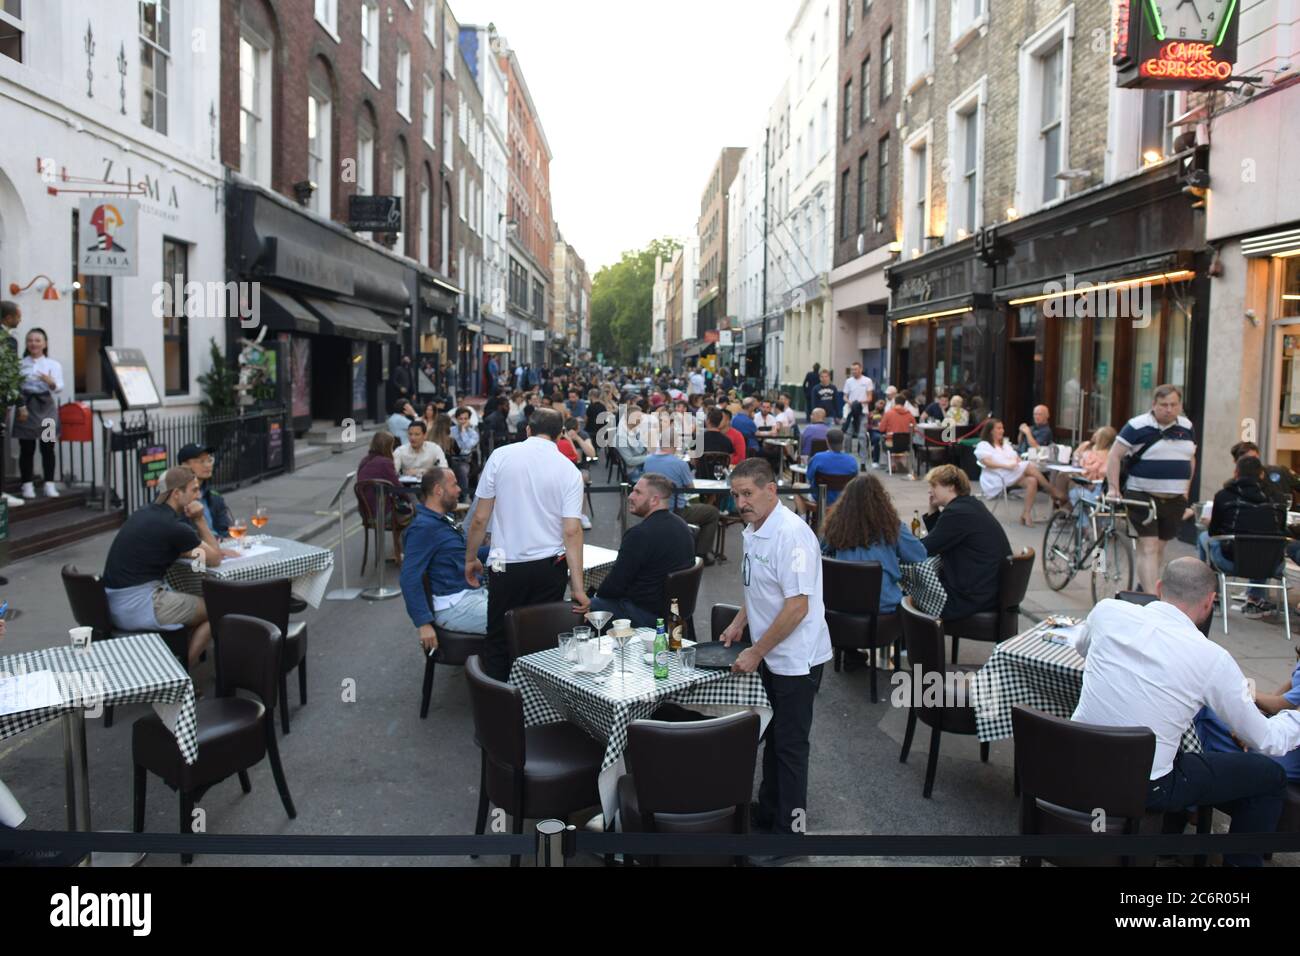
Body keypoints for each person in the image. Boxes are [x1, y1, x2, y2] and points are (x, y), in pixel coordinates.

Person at [1073, 558, 1299, 866]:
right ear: (1209, 603)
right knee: (1269, 775)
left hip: (1076, 762)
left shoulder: (1106, 612)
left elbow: (1082, 647)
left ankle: (1169, 839)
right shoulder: (1212, 659)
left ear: (1159, 588)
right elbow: (1268, 740)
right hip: (1146, 787)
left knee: (1181, 745)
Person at [720, 458, 833, 852]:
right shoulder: (755, 527)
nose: (741, 502)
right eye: (736, 495)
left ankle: (790, 837)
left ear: (772, 491)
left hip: (796, 657)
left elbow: (796, 606)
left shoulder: (793, 535)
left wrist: (756, 650)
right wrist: (739, 621)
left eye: (748, 493)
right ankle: (768, 813)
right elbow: (761, 588)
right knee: (773, 737)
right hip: (771, 652)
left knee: (789, 746)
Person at [464, 409, 590, 681]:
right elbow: (572, 531)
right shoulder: (569, 470)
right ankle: (535, 708)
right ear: (560, 436)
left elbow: (480, 519)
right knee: (541, 641)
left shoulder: (501, 456)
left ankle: (498, 710)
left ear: (528, 430)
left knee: (498, 636)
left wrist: (471, 558)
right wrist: (577, 587)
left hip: (502, 562)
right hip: (550, 566)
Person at [102, 466, 227, 667]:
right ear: (177, 494)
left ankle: (171, 662)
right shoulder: (174, 527)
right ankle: (181, 676)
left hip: (111, 603)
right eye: (194, 490)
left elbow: (187, 553)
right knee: (217, 609)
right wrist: (200, 519)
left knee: (190, 602)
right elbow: (215, 558)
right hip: (138, 606)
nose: (199, 495)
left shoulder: (143, 514)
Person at [1107, 384, 1197, 594]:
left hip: (1174, 498)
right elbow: (1114, 455)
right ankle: (1152, 599)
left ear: (1180, 405)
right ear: (1153, 405)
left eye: (1174, 405)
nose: (1169, 409)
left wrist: (1186, 491)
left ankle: (1145, 585)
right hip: (1142, 495)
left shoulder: (1187, 426)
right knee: (1148, 547)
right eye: (1163, 405)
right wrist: (1113, 488)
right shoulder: (1137, 426)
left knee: (1160, 548)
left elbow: (1191, 459)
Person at [903, 465, 1012, 619]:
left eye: (934, 485)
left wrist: (900, 545)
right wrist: (933, 508)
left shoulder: (957, 512)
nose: (930, 491)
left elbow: (924, 549)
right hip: (988, 590)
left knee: (909, 596)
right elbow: (943, 539)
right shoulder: (969, 505)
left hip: (971, 598)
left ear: (951, 487)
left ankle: (917, 641)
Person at [589, 474, 696, 627]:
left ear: (654, 500)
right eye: (632, 491)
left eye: (638, 492)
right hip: (674, 613)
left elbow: (613, 587)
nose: (630, 496)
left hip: (645, 615)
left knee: (580, 606)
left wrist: (592, 596)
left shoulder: (640, 534)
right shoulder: (682, 526)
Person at [401, 468, 488, 653]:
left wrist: (503, 553)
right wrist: (423, 623)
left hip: (470, 596)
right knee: (516, 622)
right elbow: (409, 578)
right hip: (455, 606)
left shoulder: (441, 521)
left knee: (520, 608)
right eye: (454, 484)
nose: (459, 490)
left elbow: (464, 554)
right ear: (438, 490)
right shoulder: (423, 528)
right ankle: (501, 678)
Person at [821, 474, 926, 614]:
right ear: (882, 499)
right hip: (883, 608)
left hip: (841, 607)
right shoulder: (893, 526)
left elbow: (821, 551)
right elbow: (919, 555)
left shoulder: (835, 526)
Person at [1196, 644, 1300, 785]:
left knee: (1205, 714)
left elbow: (1279, 706)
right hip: (1284, 736)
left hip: (1286, 751)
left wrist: (1244, 692)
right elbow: (1289, 689)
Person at [1198, 455, 1287, 618]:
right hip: (1271, 565)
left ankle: (1213, 597)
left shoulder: (1224, 496)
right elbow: (1281, 529)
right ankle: (1254, 598)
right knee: (1266, 544)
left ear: (1236, 473)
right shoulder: (1279, 498)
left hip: (1230, 561)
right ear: (1261, 474)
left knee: (1204, 537)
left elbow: (1214, 532)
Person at [641, 433, 720, 565]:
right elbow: (691, 488)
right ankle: (701, 553)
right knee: (712, 512)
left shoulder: (648, 460)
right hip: (676, 510)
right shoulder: (679, 464)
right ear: (675, 444)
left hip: (651, 507)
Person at [974, 418, 1065, 526]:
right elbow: (987, 462)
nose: (1002, 431)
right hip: (996, 477)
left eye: (1002, 428)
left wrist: (1016, 461)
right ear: (990, 431)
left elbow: (1016, 458)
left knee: (1032, 480)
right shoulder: (984, 445)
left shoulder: (1005, 445)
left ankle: (1026, 514)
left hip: (1010, 475)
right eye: (998, 428)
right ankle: (1052, 490)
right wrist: (1006, 465)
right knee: (1028, 465)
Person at [13, 328, 62, 499]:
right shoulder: (19, 365)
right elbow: (14, 388)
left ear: (45, 343)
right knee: (26, 448)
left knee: (48, 447)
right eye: (30, 340)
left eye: (37, 340)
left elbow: (59, 388)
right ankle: (27, 484)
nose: (33, 343)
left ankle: (49, 483)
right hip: (25, 408)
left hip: (46, 409)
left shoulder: (53, 365)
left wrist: (51, 382)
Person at [358, 431, 415, 561]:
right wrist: (411, 504)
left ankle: (398, 551)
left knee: (406, 512)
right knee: (415, 516)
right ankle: (407, 555)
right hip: (382, 513)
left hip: (366, 513)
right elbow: (398, 488)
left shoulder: (365, 460)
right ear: (388, 446)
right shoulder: (385, 462)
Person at [795, 428, 859, 518]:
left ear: (827, 441)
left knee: (796, 487)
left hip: (820, 498)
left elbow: (809, 477)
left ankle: (803, 518)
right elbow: (855, 481)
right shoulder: (852, 461)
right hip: (843, 499)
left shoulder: (818, 457)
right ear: (842, 442)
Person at [177, 443, 232, 539]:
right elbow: (185, 537)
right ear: (184, 465)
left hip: (220, 547)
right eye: (201, 461)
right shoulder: (176, 497)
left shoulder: (214, 496)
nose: (208, 465)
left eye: (210, 460)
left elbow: (225, 530)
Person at [450, 406, 479, 496]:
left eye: (465, 419)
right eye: (460, 419)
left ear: (469, 419)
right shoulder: (451, 430)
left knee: (462, 471)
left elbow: (466, 446)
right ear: (456, 419)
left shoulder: (473, 433)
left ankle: (463, 497)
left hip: (465, 460)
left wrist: (463, 431)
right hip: (451, 459)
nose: (463, 421)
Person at [842, 361, 874, 441]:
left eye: (856, 369)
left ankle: (862, 453)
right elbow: (845, 396)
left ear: (861, 369)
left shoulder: (867, 381)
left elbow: (870, 398)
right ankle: (847, 452)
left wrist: (859, 402)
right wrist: (849, 402)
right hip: (851, 411)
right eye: (852, 370)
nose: (854, 371)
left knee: (862, 435)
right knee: (848, 434)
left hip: (863, 411)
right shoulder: (848, 381)